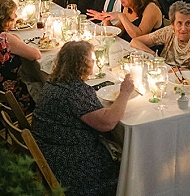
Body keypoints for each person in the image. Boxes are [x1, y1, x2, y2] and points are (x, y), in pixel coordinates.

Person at [32, 40, 135, 196]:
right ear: (80, 64)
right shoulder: (75, 91)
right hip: (69, 167)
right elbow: (108, 123)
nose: (94, 62)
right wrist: (125, 92)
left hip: (48, 154)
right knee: (129, 168)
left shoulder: (54, 81)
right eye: (92, 59)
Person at [130, 0, 190, 71]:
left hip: (186, 81)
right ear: (173, 25)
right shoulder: (168, 31)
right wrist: (153, 54)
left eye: (187, 23)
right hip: (164, 74)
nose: (183, 28)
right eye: (179, 23)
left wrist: (181, 71)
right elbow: (135, 41)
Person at [90, 0, 162, 41]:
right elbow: (118, 32)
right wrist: (106, 19)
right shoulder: (128, 8)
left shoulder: (151, 8)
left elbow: (138, 36)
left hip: (147, 52)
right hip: (130, 47)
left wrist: (121, 16)